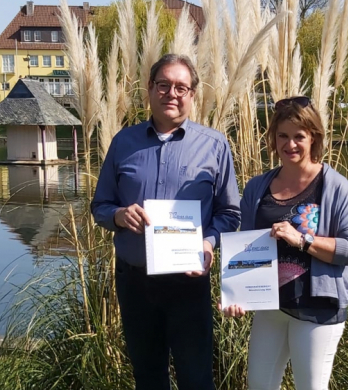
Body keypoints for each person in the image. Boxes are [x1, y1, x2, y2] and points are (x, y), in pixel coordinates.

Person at [91, 54, 241, 390]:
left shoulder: (214, 145)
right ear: (150, 89)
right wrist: (117, 215)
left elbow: (230, 213)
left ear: (192, 95)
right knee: (147, 376)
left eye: (181, 87)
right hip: (134, 281)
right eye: (164, 85)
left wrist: (209, 242)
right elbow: (99, 204)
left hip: (188, 281)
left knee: (196, 378)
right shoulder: (123, 143)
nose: (171, 93)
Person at [223, 96, 348, 390]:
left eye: (299, 136)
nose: (290, 145)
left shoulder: (334, 186)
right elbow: (245, 248)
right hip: (270, 306)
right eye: (283, 136)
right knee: (259, 385)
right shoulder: (257, 187)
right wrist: (236, 295)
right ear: (273, 139)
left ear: (313, 138)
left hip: (317, 308)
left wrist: (302, 239)